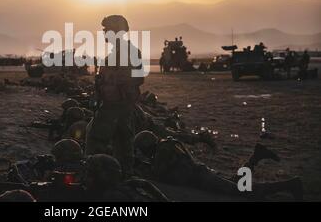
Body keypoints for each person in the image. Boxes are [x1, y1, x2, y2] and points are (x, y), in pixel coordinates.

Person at [133, 131, 303, 200]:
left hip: (201, 177)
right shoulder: (166, 145)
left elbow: (162, 174)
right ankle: (255, 157)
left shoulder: (162, 151)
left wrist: (142, 167)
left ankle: (290, 184)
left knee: (243, 191)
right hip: (201, 174)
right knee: (236, 182)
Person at [85, 15, 145, 177]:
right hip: (121, 106)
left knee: (95, 143)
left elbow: (138, 78)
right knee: (123, 147)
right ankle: (123, 179)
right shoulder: (120, 52)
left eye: (106, 30)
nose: (104, 33)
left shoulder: (127, 52)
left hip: (115, 107)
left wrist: (115, 83)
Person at [85, 154, 169, 201]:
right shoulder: (128, 184)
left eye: (91, 173)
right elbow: (146, 184)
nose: (88, 177)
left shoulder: (112, 196)